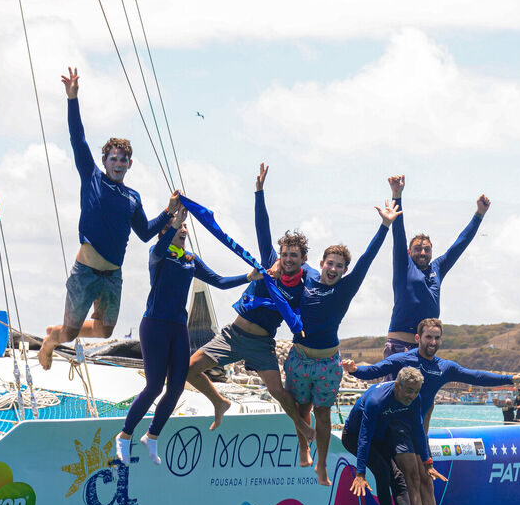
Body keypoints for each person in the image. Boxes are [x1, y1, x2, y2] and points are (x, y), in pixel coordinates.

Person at [39, 67, 181, 370]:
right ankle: (51, 338)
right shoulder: (91, 177)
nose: (117, 163)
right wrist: (72, 99)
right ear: (104, 161)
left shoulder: (132, 197)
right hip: (86, 272)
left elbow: (145, 233)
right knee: (70, 332)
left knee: (105, 330)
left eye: (122, 160)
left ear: (130, 164)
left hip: (112, 276)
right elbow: (78, 138)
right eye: (112, 159)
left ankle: (58, 333)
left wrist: (169, 211)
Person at [185, 164, 316, 457]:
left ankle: (303, 430)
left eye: (294, 256)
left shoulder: (304, 286)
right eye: (284, 255)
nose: (287, 260)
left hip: (260, 343)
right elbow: (262, 228)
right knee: (188, 369)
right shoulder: (269, 263)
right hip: (232, 335)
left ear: (303, 259)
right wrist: (259, 192)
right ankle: (219, 402)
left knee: (278, 391)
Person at [115, 213, 254, 465]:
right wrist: (173, 220)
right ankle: (124, 436)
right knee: (154, 386)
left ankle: (152, 436)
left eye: (184, 225)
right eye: (177, 226)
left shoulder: (190, 260)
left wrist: (248, 277)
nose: (183, 229)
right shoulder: (157, 254)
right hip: (155, 326)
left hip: (179, 327)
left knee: (177, 386)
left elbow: (219, 282)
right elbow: (159, 244)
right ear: (166, 232)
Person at [284, 202, 397, 486]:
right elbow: (285, 257)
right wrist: (260, 193)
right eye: (330, 263)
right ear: (321, 264)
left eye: (339, 266)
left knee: (321, 412)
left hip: (327, 363)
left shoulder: (346, 287)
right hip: (299, 357)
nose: (333, 269)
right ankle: (303, 447)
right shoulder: (307, 276)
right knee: (301, 408)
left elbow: (368, 259)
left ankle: (321, 465)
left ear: (345, 270)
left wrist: (385, 225)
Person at [343, 318, 520, 433]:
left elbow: (476, 376)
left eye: (437, 338)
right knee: (412, 475)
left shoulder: (445, 367)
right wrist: (355, 370)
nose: (433, 341)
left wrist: (510, 379)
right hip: (394, 427)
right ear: (419, 338)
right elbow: (376, 370)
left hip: (417, 430)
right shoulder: (403, 359)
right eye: (429, 337)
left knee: (423, 479)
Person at [342, 368, 459, 505]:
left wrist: (427, 462)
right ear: (398, 385)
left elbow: (419, 432)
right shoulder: (376, 401)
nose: (412, 396)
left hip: (379, 438)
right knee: (383, 471)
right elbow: (364, 437)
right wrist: (360, 472)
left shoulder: (415, 400)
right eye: (409, 390)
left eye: (416, 391)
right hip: (354, 436)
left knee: (398, 477)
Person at [383, 174, 490, 374]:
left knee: (425, 403)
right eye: (418, 249)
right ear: (409, 252)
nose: (422, 253)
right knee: (395, 397)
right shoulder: (403, 265)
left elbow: (459, 245)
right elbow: (398, 232)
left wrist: (479, 215)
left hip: (425, 348)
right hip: (400, 345)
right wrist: (397, 194)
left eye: (427, 249)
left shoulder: (437, 268)